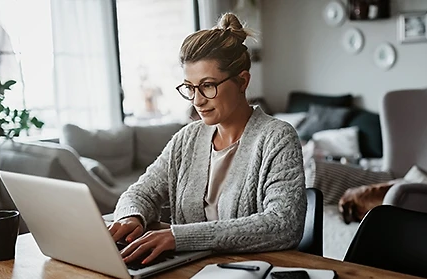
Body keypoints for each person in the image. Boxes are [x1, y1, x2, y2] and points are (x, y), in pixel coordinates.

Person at [109, 12, 306, 265]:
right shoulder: (187, 138)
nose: (197, 100)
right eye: (190, 87)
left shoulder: (277, 138)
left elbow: (283, 224)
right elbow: (140, 193)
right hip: (190, 269)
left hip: (247, 272)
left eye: (208, 85)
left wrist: (178, 237)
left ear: (242, 81)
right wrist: (130, 217)